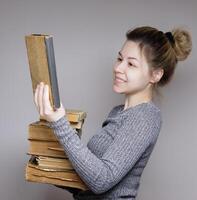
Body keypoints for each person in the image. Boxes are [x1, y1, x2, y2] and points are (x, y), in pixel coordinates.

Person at [34, 26, 192, 199]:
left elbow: (101, 180)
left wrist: (60, 124)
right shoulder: (118, 112)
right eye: (119, 58)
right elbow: (89, 180)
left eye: (131, 64)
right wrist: (46, 166)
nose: (118, 68)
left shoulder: (145, 117)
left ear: (155, 75)